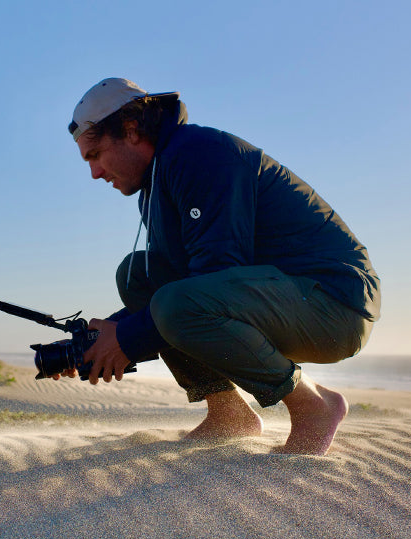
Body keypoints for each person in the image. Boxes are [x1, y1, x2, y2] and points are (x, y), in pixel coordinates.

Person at [56, 78, 381, 455]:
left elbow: (209, 279)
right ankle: (229, 414)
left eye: (94, 155)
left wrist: (126, 339)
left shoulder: (200, 154)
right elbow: (181, 287)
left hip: (334, 305)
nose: (95, 173)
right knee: (140, 274)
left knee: (173, 302)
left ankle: (314, 406)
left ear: (130, 131)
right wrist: (97, 342)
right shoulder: (158, 181)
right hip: (276, 297)